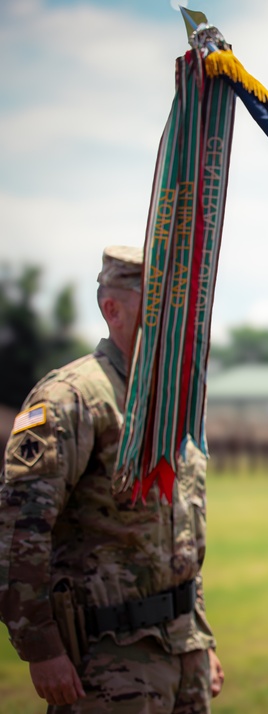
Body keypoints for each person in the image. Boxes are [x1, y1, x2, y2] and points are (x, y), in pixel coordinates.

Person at [0, 245, 224, 711]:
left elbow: (180, 534)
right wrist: (41, 649)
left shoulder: (171, 402)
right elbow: (19, 531)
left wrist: (198, 636)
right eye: (160, 303)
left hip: (183, 657)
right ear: (112, 309)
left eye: (180, 303)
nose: (175, 318)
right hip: (106, 662)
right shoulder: (73, 398)